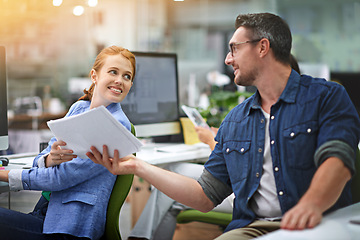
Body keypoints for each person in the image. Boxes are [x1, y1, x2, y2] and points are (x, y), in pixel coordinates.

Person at [88, 13, 360, 240]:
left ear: (262, 47)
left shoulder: (325, 97)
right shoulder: (236, 120)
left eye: (234, 48)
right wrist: (137, 166)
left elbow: (338, 158)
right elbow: (205, 195)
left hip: (319, 221)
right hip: (253, 228)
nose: (228, 60)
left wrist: (312, 204)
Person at [128, 53, 301, 240]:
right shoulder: (252, 114)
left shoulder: (293, 117)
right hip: (240, 189)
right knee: (172, 174)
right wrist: (223, 138)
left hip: (248, 196)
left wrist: (212, 141)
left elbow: (242, 170)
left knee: (171, 191)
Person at [0, 45, 136, 240]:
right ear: (94, 76)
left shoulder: (115, 124)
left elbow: (61, 179)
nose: (119, 80)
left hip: (71, 228)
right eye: (113, 72)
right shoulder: (79, 107)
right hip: (47, 213)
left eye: (127, 76)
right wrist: (49, 160)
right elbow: (43, 155)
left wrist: (4, 174)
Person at [128, 127, 234, 240]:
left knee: (171, 195)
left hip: (239, 193)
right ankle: (140, 236)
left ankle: (139, 237)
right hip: (233, 181)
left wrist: (210, 140)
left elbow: (228, 166)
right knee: (172, 175)